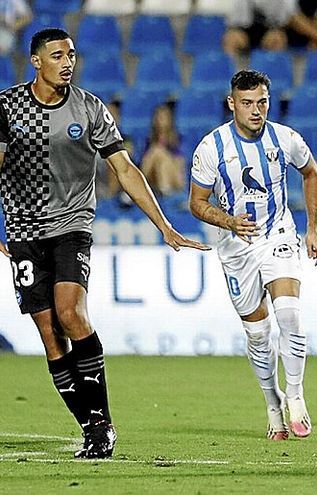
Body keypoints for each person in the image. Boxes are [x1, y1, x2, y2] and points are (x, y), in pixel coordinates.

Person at [0, 28, 209, 459]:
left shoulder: (90, 108)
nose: (67, 61)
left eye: (71, 54)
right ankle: (90, 424)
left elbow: (127, 169)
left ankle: (101, 424)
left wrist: (164, 226)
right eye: (57, 55)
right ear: (36, 61)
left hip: (71, 224)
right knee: (48, 334)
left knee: (71, 313)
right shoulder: (8, 107)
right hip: (23, 230)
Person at [189, 69, 317, 441]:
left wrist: (312, 228)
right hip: (236, 247)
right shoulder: (211, 148)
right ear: (232, 103)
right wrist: (229, 221)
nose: (255, 110)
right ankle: (272, 402)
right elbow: (196, 203)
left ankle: (296, 396)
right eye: (247, 103)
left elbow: (311, 173)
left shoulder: (286, 139)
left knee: (289, 314)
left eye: (261, 101)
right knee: (259, 333)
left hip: (278, 232)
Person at [141, 104, 185, 197]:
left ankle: (137, 187)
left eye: (163, 117)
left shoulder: (176, 139)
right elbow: (146, 164)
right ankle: (162, 189)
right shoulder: (149, 140)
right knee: (156, 154)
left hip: (174, 176)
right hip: (153, 178)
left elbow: (179, 164)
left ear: (170, 119)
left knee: (159, 153)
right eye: (157, 117)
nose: (159, 120)